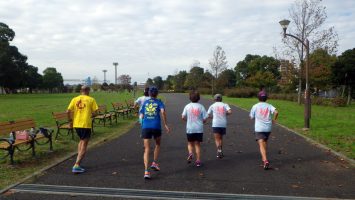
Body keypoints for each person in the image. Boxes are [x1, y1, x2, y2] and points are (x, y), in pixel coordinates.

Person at [139, 86, 170, 179]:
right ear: (157, 94)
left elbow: (141, 115)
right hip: (156, 126)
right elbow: (163, 111)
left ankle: (146, 171)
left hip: (146, 127)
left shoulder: (145, 103)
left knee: (147, 149)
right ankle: (154, 162)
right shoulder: (159, 102)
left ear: (149, 94)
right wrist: (165, 124)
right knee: (157, 144)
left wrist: (143, 124)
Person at [67, 85, 98, 174]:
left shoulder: (74, 99)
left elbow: (68, 111)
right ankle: (76, 165)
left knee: (81, 141)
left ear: (81, 90)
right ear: (88, 90)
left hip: (76, 124)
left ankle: (78, 160)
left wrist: (70, 122)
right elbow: (96, 112)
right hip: (85, 124)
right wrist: (92, 115)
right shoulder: (91, 99)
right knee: (84, 144)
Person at [249, 90, 278, 170]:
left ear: (258, 98)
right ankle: (264, 157)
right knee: (265, 142)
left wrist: (254, 117)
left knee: (261, 144)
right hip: (268, 127)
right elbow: (276, 112)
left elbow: (251, 117)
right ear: (266, 98)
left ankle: (265, 160)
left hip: (259, 127)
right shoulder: (269, 105)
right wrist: (274, 120)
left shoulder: (255, 106)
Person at [182, 90, 208, 167]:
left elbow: (183, 117)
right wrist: (202, 121)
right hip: (199, 128)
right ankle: (198, 160)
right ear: (198, 98)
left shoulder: (187, 106)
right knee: (197, 144)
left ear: (190, 98)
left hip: (190, 128)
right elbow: (205, 118)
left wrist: (187, 121)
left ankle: (190, 153)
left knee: (190, 143)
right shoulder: (201, 106)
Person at [207, 94, 232, 158]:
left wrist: (212, 117)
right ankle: (220, 150)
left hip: (216, 123)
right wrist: (224, 114)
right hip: (223, 123)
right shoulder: (225, 104)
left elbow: (208, 114)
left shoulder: (212, 105)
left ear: (214, 99)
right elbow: (230, 112)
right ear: (221, 99)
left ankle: (218, 150)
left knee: (216, 139)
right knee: (221, 138)